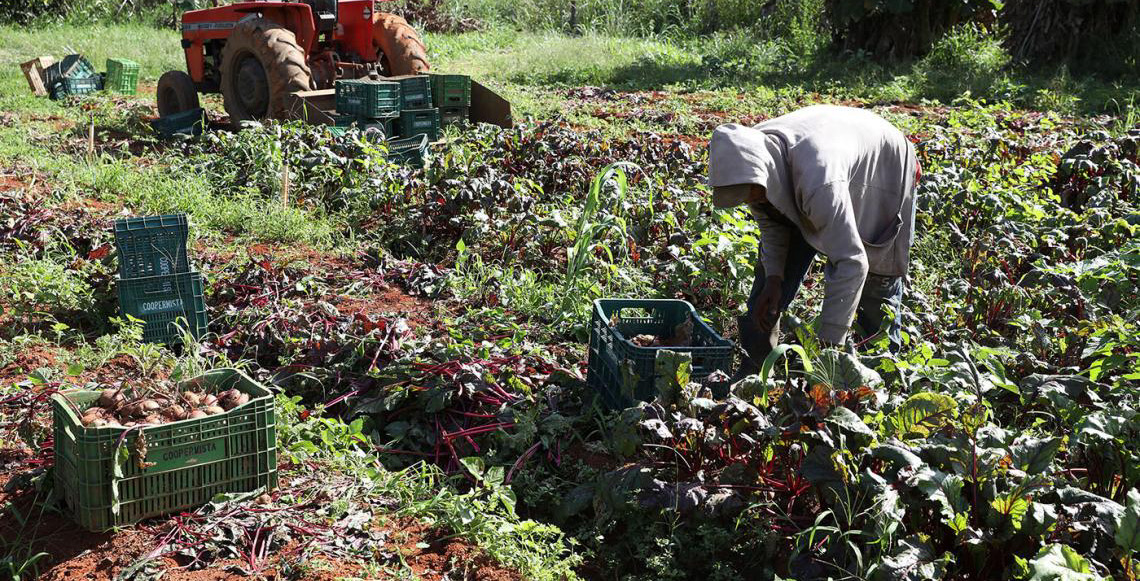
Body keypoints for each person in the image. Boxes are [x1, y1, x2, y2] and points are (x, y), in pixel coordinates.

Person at [707, 105, 920, 377]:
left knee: (877, 287)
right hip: (825, 160)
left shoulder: (820, 182)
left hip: (885, 165)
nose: (755, 203)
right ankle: (756, 370)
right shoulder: (750, 155)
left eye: (756, 196)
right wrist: (774, 279)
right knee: (768, 286)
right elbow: (773, 222)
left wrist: (828, 345)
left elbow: (852, 263)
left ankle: (880, 378)